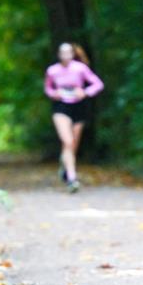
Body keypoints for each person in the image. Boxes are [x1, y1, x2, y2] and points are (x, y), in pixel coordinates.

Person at [44, 42, 104, 192]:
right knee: (67, 140)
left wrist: (85, 92)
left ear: (72, 54)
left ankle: (65, 165)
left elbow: (97, 84)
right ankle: (72, 178)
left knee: (72, 145)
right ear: (59, 55)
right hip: (61, 108)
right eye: (63, 53)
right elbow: (48, 88)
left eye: (68, 52)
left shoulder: (80, 68)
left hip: (78, 106)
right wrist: (54, 94)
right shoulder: (52, 71)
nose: (66, 56)